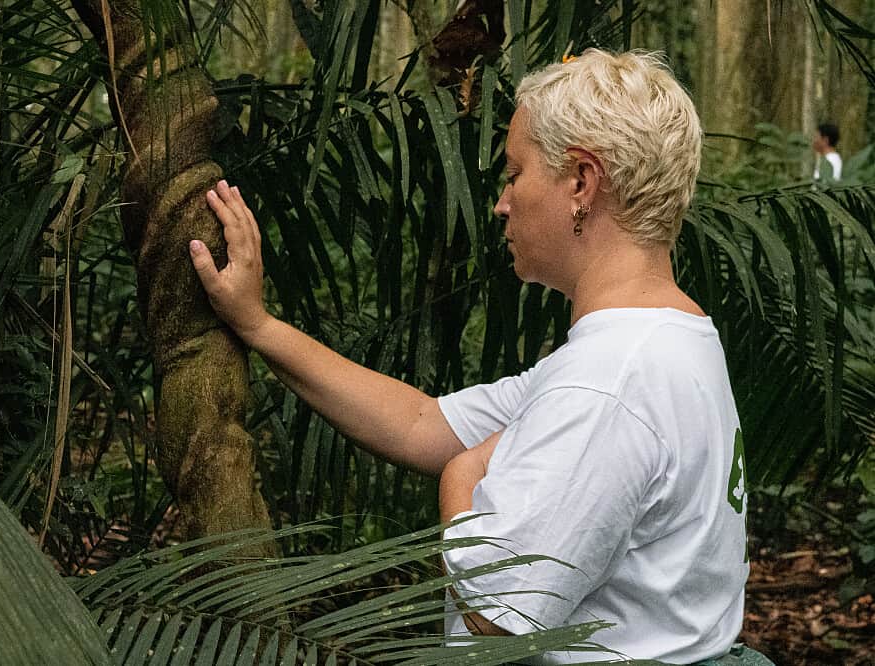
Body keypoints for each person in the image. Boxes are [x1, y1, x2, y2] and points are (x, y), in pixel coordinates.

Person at [189, 49, 767, 665]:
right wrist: (257, 324)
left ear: (581, 183)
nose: (500, 201)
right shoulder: (669, 337)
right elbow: (421, 423)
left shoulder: (608, 383)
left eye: (515, 173)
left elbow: (499, 613)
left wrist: (461, 475)